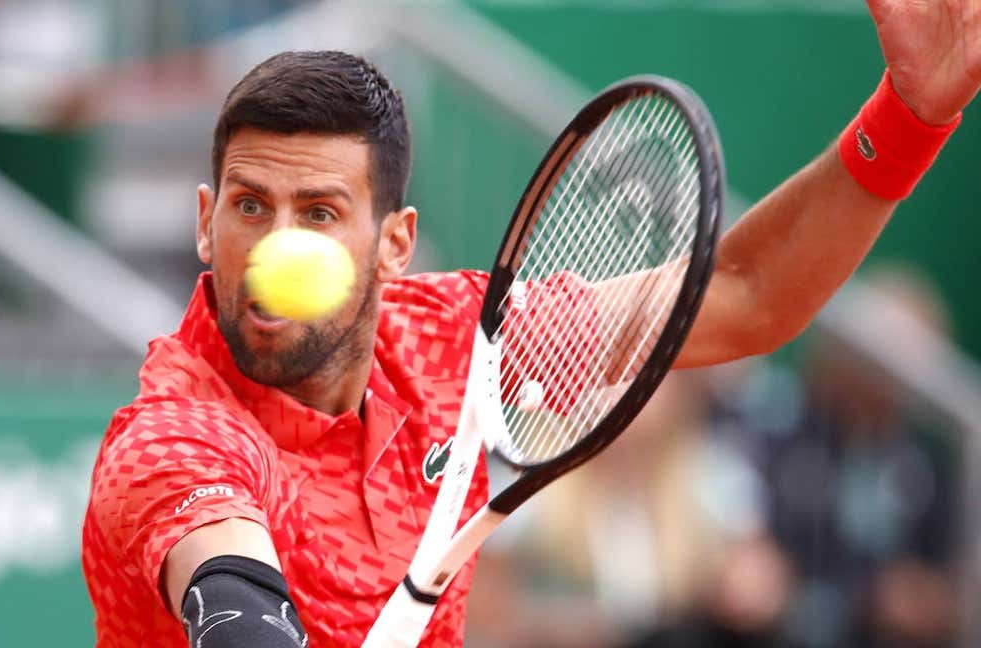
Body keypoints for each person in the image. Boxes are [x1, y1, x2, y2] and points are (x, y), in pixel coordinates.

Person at [81, 2, 981, 645]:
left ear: (394, 244)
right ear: (205, 221)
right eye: (249, 205)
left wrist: (910, 118)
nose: (274, 244)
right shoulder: (174, 437)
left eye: (318, 213)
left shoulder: (453, 340)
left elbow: (745, 294)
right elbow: (233, 598)